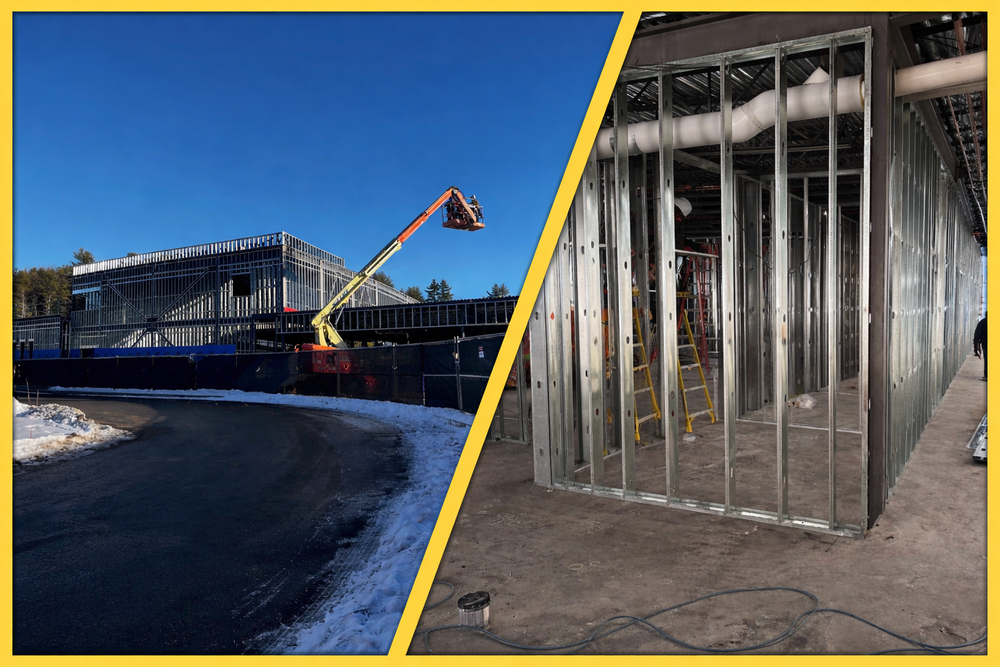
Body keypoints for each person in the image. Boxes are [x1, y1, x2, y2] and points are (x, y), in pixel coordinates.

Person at [973, 312, 987, 380]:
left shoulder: (982, 322)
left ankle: (987, 376)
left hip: (986, 345)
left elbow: (977, 336)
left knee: (987, 360)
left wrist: (976, 349)